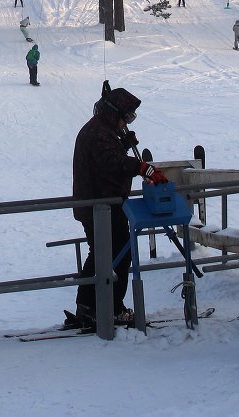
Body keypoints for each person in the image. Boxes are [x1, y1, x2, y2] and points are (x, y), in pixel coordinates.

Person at [66, 83, 166, 331]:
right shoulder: (98, 133)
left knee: (106, 253)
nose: (127, 122)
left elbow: (109, 158)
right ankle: (106, 307)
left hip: (103, 204)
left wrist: (123, 144)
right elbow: (111, 163)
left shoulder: (102, 130)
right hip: (100, 206)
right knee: (114, 254)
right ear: (114, 113)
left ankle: (93, 306)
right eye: (126, 117)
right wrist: (141, 167)